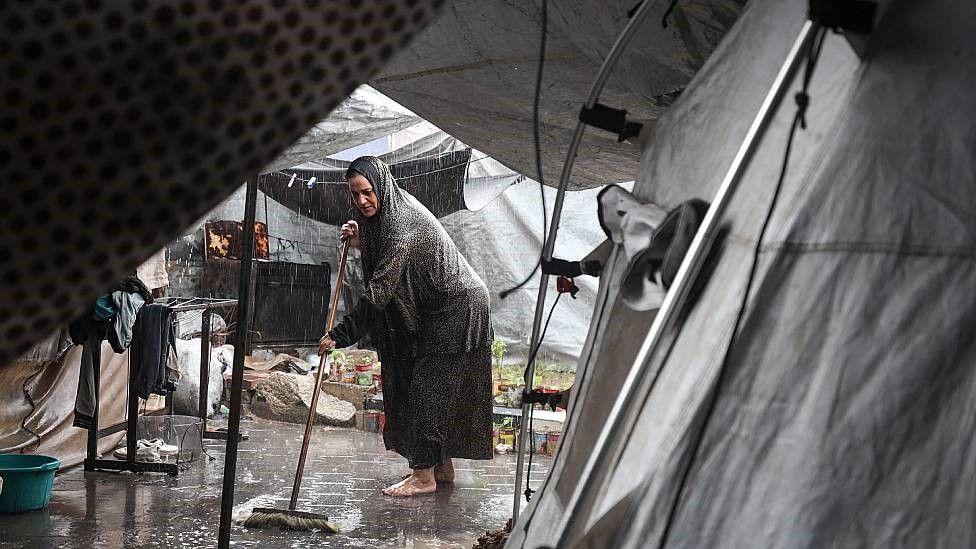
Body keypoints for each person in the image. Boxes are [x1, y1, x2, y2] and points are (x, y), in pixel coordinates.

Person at [318, 156, 493, 497]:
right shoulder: (389, 211)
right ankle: (441, 467)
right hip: (441, 308)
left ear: (381, 185)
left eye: (368, 193)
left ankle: (423, 476)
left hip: (458, 307)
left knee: (427, 389)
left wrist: (339, 336)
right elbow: (381, 244)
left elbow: (379, 292)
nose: (362, 202)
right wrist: (360, 238)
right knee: (426, 385)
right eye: (355, 196)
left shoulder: (401, 223)